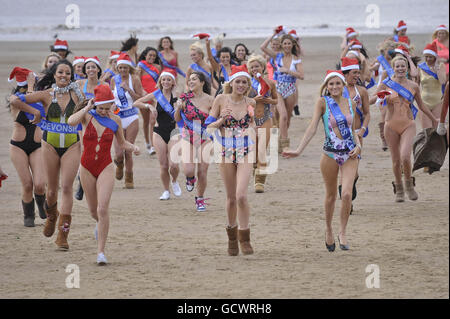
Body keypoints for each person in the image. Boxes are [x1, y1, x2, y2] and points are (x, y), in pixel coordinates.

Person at [282, 70, 362, 251]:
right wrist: (298, 150)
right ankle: (328, 229)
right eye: (331, 84)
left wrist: (359, 146)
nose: (334, 87)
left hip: (350, 154)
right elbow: (312, 128)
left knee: (347, 194)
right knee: (331, 195)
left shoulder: (351, 103)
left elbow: (353, 129)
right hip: (330, 154)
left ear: (343, 85)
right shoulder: (322, 103)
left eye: (338, 83)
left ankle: (343, 232)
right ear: (326, 86)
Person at [10, 59, 85, 250]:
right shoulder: (46, 94)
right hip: (49, 145)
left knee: (67, 188)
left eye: (67, 73)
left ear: (71, 76)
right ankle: (51, 216)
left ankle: (63, 234)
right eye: (60, 72)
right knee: (51, 191)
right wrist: (33, 112)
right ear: (54, 74)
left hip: (72, 146)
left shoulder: (77, 96)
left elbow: (92, 112)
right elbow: (14, 100)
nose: (63, 76)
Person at [68, 84, 140, 265]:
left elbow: (122, 144)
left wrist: (134, 147)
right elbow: (70, 121)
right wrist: (87, 107)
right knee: (94, 211)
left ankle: (101, 252)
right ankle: (99, 224)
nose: (103, 112)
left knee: (102, 209)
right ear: (95, 104)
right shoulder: (86, 116)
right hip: (86, 167)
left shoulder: (114, 120)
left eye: (107, 108)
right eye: (100, 108)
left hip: (105, 166)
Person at [206, 65, 256, 256]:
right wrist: (220, 120)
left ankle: (245, 237)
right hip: (225, 152)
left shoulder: (251, 102)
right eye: (238, 81)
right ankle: (232, 236)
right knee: (231, 198)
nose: (241, 85)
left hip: (245, 151)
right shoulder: (220, 99)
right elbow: (207, 128)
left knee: (242, 195)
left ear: (248, 84)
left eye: (244, 82)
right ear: (232, 83)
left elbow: (255, 129)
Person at [376, 56, 438, 202]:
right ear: (393, 68)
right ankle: (399, 188)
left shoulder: (413, 86)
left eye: (403, 66)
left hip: (408, 124)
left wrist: (434, 119)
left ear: (407, 68)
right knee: (396, 160)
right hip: (390, 125)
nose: (400, 69)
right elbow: (374, 99)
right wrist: (377, 97)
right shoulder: (387, 84)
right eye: (397, 66)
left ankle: (409, 185)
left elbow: (421, 106)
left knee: (405, 156)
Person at [133, 72, 182, 200]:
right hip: (158, 131)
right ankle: (166, 191)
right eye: (163, 80)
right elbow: (136, 103)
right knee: (164, 165)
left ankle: (175, 181)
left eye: (168, 80)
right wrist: (148, 105)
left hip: (174, 131)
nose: (165, 82)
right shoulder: (155, 95)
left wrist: (180, 106)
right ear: (160, 81)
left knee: (174, 165)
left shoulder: (177, 95)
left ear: (172, 82)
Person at [7, 67, 46, 227]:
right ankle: (28, 215)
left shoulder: (38, 96)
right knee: (27, 184)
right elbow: (20, 101)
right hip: (18, 146)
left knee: (39, 184)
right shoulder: (14, 98)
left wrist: (33, 86)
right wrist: (30, 86)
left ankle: (42, 207)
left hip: (37, 145)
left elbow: (39, 101)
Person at [174, 71, 214, 211]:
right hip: (188, 135)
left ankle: (200, 199)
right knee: (189, 169)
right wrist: (178, 108)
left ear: (202, 82)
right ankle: (190, 179)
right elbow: (177, 119)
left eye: (194, 79)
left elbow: (215, 119)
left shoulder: (211, 100)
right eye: (189, 79)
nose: (190, 82)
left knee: (202, 171)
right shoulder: (184, 99)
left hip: (205, 137)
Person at [260, 31, 304, 152]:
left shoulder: (296, 59)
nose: (287, 46)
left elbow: (301, 75)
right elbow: (262, 47)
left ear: (292, 45)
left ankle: (281, 141)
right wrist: (273, 34)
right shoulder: (277, 56)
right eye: (284, 43)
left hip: (290, 89)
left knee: (287, 119)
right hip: (278, 88)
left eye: (289, 43)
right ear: (282, 45)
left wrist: (288, 71)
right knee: (283, 115)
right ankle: (285, 146)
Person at [110, 53, 146, 189]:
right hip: (118, 116)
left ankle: (129, 177)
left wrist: (128, 89)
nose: (123, 70)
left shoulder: (135, 79)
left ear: (129, 68)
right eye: (121, 68)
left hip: (131, 116)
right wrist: (111, 105)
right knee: (119, 153)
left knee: (128, 150)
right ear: (118, 68)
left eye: (125, 68)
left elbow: (138, 98)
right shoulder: (114, 80)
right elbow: (111, 97)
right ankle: (119, 164)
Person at [340, 57, 371, 213]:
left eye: (358, 72)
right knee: (342, 167)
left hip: (357, 135)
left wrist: (363, 129)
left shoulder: (362, 91)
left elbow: (367, 114)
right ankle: (347, 202)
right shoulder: (337, 89)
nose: (357, 75)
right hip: (340, 135)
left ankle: (347, 190)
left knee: (355, 172)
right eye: (354, 73)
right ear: (345, 74)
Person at [246, 55, 277, 193]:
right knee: (253, 150)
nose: (254, 69)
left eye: (257, 66)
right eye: (252, 67)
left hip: (265, 118)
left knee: (262, 150)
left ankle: (260, 181)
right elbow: (241, 100)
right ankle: (255, 167)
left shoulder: (270, 83)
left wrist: (268, 101)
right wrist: (254, 99)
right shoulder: (245, 84)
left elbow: (276, 100)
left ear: (263, 67)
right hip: (250, 120)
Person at [138, 47, 162, 155]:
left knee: (153, 120)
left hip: (155, 97)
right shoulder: (140, 66)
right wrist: (143, 92)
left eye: (154, 56)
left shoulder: (157, 67)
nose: (152, 57)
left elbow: (159, 82)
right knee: (146, 121)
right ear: (145, 55)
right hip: (144, 97)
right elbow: (137, 82)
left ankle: (153, 145)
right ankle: (147, 142)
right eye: (150, 55)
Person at [418, 42, 447, 130]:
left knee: (436, 130)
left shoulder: (441, 66)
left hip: (438, 102)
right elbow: (416, 84)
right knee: (427, 130)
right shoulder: (421, 67)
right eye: (426, 56)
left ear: (435, 57)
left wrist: (436, 67)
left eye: (430, 56)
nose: (428, 59)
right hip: (424, 102)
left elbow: (442, 82)